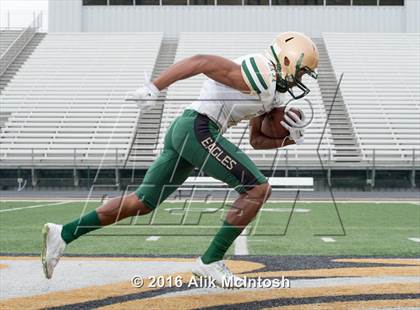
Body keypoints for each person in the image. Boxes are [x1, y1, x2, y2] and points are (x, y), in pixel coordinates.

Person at [41, 32, 319, 287]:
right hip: (198, 127)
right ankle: (210, 261)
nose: (302, 79)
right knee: (258, 189)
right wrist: (154, 87)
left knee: (142, 202)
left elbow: (257, 139)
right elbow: (201, 61)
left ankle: (63, 234)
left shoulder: (275, 90)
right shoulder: (262, 72)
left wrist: (291, 136)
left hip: (188, 130)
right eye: (302, 71)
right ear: (287, 60)